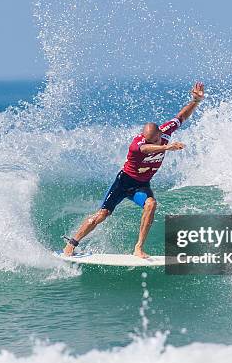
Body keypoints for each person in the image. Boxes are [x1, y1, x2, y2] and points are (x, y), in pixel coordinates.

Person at [63, 82, 205, 258]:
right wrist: (166, 148)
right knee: (101, 216)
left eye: (152, 140)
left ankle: (138, 247)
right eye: (146, 140)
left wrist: (196, 101)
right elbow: (145, 150)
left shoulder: (165, 131)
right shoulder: (138, 144)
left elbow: (181, 116)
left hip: (141, 185)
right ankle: (71, 244)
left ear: (160, 134)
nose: (147, 142)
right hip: (123, 182)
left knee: (151, 204)